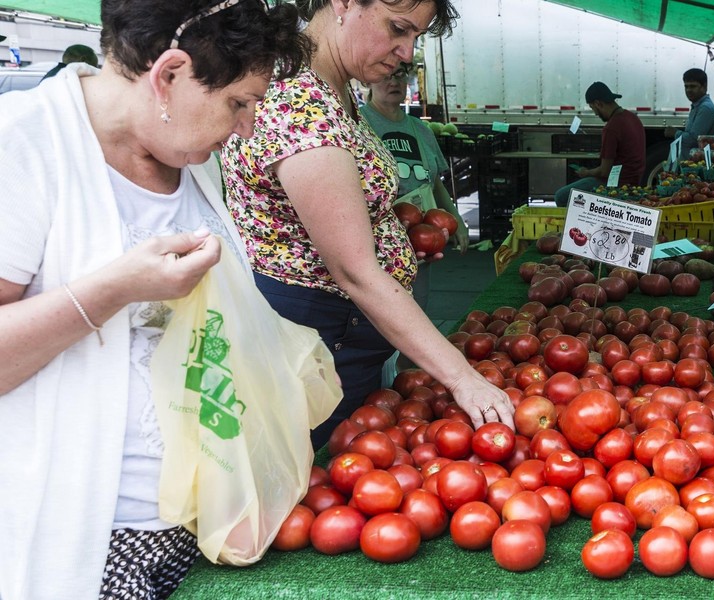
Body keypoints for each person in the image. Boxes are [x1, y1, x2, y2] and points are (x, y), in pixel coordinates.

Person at [0, 2, 309, 598]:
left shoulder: (190, 160)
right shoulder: (23, 143)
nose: (246, 128)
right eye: (238, 103)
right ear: (168, 74)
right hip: (87, 540)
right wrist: (118, 288)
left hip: (197, 530)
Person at [222, 0, 514, 449]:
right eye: (398, 29)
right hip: (317, 342)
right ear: (342, 3)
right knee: (314, 468)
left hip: (345, 335)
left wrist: (390, 236)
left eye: (415, 36)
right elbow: (354, 270)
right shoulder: (302, 105)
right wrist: (461, 377)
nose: (406, 51)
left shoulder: (335, 88)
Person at [361, 63, 469, 312]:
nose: (394, 82)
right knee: (379, 314)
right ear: (368, 80)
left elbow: (435, 183)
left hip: (418, 240)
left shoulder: (421, 129)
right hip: (378, 241)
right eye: (385, 75)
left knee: (416, 309)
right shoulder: (359, 124)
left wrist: (457, 221)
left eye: (400, 75)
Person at [554, 81, 645, 206]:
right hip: (634, 181)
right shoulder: (632, 118)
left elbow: (604, 171)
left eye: (593, 108)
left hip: (616, 185)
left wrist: (586, 172)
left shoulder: (611, 128)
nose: (595, 113)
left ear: (598, 103)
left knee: (561, 196)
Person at [671, 67, 714, 157]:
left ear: (704, 87)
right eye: (686, 86)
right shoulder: (698, 106)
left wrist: (675, 133)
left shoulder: (705, 108)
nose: (688, 90)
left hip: (700, 164)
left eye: (693, 86)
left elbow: (693, 139)